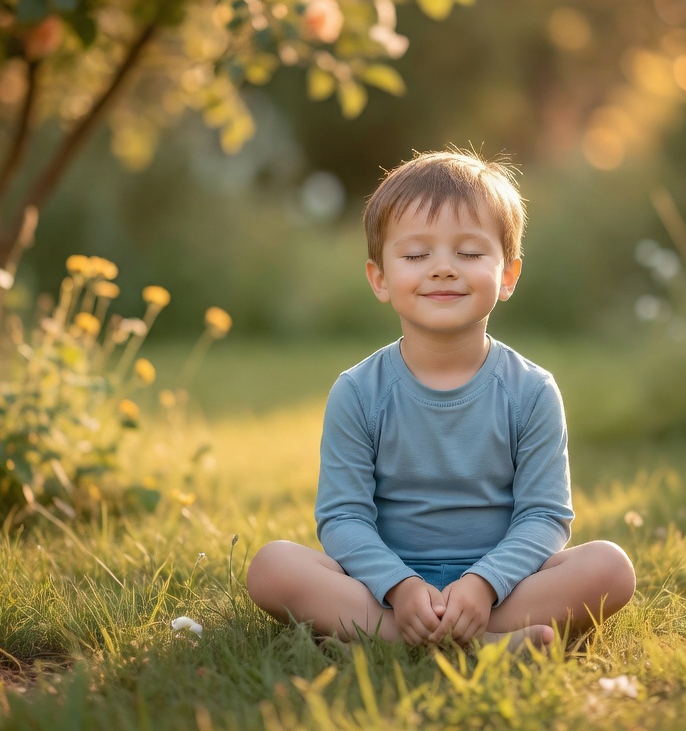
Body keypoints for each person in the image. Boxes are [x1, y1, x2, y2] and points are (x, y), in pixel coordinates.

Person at [245, 148, 635, 650]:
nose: (444, 269)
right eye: (415, 255)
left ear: (509, 275)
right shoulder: (358, 391)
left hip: (503, 588)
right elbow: (343, 519)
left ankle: (416, 637)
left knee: (609, 567)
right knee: (272, 566)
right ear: (380, 278)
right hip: (383, 588)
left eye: (469, 254)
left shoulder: (532, 391)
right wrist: (400, 587)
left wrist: (484, 583)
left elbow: (544, 517)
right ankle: (470, 641)